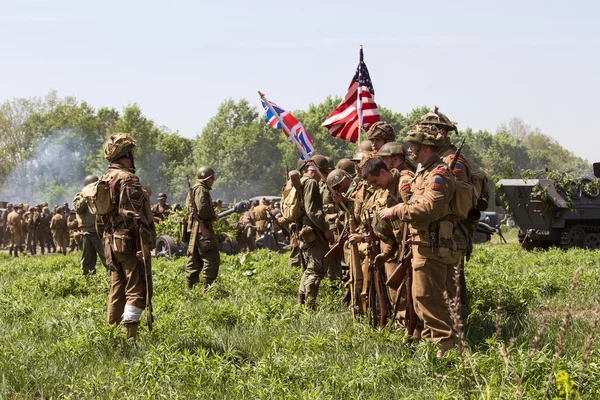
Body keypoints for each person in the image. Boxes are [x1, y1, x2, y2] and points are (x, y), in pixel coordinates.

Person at [379, 124, 463, 357]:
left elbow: (429, 208)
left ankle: (445, 352)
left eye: (413, 145)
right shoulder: (424, 173)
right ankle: (433, 348)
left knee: (429, 299)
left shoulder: (438, 174)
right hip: (425, 244)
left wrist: (397, 210)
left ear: (425, 147)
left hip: (433, 245)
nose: (410, 150)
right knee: (422, 299)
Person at [100, 133, 156, 340]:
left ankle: (111, 336)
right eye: (132, 151)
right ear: (126, 154)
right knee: (136, 290)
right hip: (129, 243)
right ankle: (129, 339)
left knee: (117, 288)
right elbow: (136, 217)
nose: (134, 155)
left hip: (111, 241)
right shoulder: (128, 179)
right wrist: (145, 245)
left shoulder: (105, 178)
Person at [296, 155, 334, 307]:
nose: (322, 178)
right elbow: (313, 211)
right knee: (316, 269)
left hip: (305, 231)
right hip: (314, 232)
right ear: (318, 170)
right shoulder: (311, 183)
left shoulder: (302, 180)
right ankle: (309, 306)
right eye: (323, 174)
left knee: (309, 269)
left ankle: (301, 303)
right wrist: (326, 229)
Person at [185, 166, 220, 289]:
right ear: (207, 178)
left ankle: (191, 289)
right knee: (212, 258)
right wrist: (213, 216)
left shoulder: (194, 188)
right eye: (212, 178)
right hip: (201, 229)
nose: (213, 180)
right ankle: (207, 289)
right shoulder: (202, 189)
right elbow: (202, 210)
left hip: (194, 229)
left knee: (195, 260)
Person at [73, 175, 107, 275]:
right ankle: (88, 277)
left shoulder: (99, 195)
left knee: (106, 256)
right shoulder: (80, 196)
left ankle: (113, 277)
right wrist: (86, 196)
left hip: (100, 230)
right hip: (87, 232)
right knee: (88, 259)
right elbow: (77, 208)